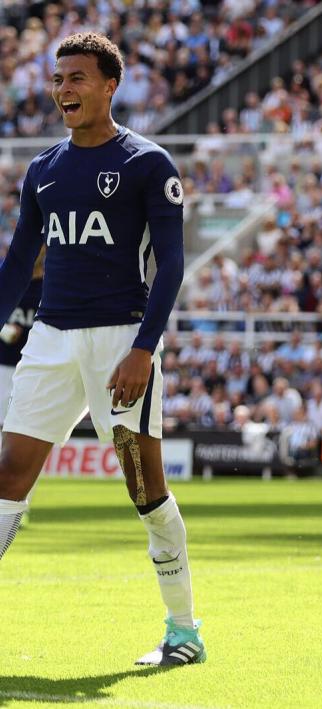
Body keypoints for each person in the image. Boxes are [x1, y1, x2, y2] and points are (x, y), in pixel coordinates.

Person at [0, 33, 205, 667]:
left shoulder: (147, 163)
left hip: (121, 339)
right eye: (59, 79)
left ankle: (183, 632)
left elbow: (170, 266)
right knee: (7, 476)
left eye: (78, 78)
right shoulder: (45, 169)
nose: (65, 89)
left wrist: (144, 348)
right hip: (51, 339)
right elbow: (16, 264)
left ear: (109, 85)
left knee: (144, 486)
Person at [0, 247, 45, 527]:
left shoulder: (51, 288)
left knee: (28, 438)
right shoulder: (9, 278)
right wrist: (5, 330)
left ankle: (19, 505)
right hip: (2, 368)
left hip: (31, 369)